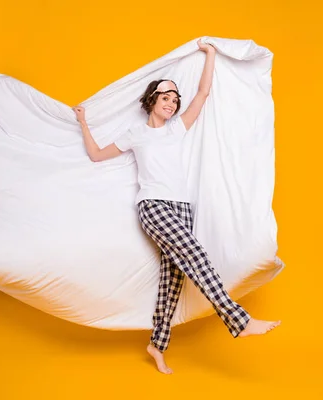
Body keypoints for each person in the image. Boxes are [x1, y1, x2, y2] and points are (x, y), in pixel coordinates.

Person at [72, 39, 280, 374]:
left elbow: (203, 93)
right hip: (153, 207)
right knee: (196, 255)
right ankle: (238, 321)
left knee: (173, 282)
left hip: (183, 208)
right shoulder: (135, 133)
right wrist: (83, 122)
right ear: (152, 100)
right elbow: (97, 155)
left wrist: (210, 54)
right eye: (166, 98)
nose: (171, 104)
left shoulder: (178, 129)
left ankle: (157, 344)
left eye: (174, 100)